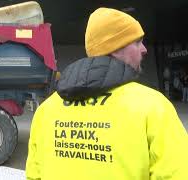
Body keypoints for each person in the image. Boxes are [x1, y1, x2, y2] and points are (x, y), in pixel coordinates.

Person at [26, 7, 188, 180]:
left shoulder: (47, 110)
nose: (144, 49)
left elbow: (34, 175)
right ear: (116, 47)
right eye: (137, 42)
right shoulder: (153, 107)